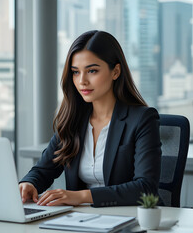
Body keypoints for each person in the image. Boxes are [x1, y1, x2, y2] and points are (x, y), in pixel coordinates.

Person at [19, 30, 162, 207]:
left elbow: (145, 187)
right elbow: (43, 169)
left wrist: (81, 196)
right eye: (75, 72)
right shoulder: (73, 119)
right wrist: (29, 183)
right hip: (81, 220)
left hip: (129, 219)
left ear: (115, 71)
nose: (82, 81)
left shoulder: (142, 119)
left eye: (92, 71)